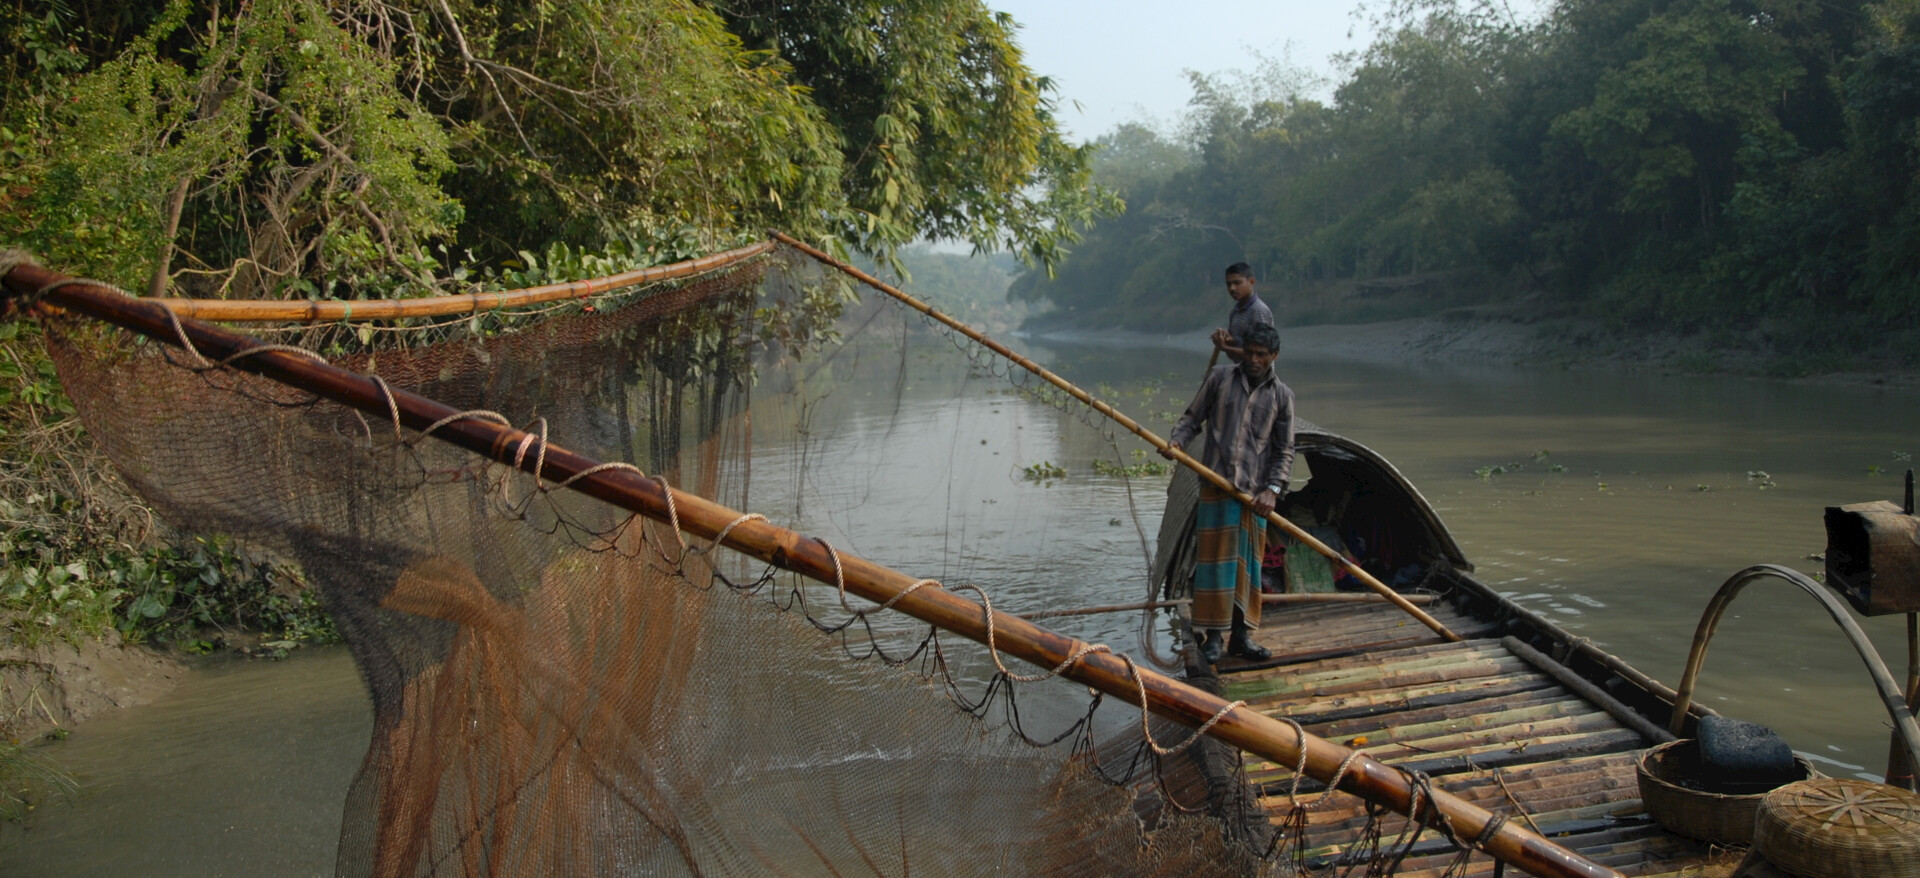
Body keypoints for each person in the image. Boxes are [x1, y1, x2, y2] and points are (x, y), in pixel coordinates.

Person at [1161, 322, 1294, 663]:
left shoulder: (1282, 396)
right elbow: (1192, 419)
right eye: (1249, 353)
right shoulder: (1219, 379)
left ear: (1274, 356)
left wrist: (1272, 490)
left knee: (1247, 570)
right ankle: (1213, 638)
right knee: (1215, 567)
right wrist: (1177, 442)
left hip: (1253, 496)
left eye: (1261, 355)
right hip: (1217, 486)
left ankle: (1241, 637)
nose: (1254, 360)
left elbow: (1284, 451)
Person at [1208, 262, 1273, 364]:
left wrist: (1224, 347)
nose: (1232, 288)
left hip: (1258, 373)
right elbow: (1235, 356)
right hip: (1241, 370)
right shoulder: (1235, 311)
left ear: (1251, 281)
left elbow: (1260, 354)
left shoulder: (1258, 310)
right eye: (1229, 284)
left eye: (1237, 283)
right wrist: (1226, 340)